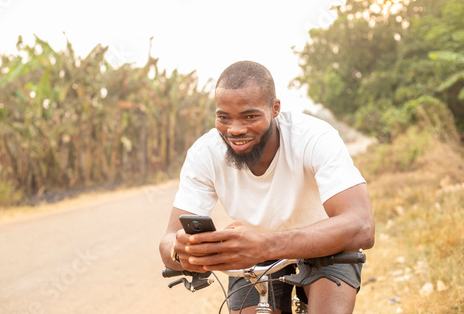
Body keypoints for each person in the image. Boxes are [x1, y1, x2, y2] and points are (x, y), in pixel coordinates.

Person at [159, 61, 375, 314]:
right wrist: (181, 250)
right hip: (252, 254)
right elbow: (168, 240)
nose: (235, 130)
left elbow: (361, 226)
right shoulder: (204, 152)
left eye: (250, 116)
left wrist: (264, 245)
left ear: (275, 109)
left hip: (327, 243)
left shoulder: (314, 137)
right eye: (223, 117)